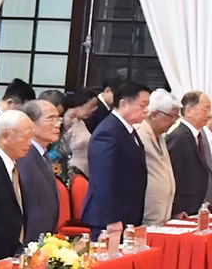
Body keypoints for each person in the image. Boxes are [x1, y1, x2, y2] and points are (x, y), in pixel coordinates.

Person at [81, 82, 150, 230]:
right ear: (124, 104)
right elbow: (103, 178)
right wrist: (111, 218)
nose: (147, 111)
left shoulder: (128, 130)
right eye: (142, 105)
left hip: (129, 213)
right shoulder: (108, 132)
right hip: (110, 217)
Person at [136, 90, 179, 227]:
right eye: (170, 117)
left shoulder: (161, 136)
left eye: (176, 118)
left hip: (163, 214)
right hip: (144, 213)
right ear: (154, 114)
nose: (173, 122)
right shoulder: (138, 133)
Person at [167, 91, 212, 218]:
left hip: (198, 208)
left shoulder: (197, 136)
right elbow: (174, 175)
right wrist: (176, 209)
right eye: (205, 109)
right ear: (189, 110)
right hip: (184, 210)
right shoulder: (179, 137)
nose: (209, 115)